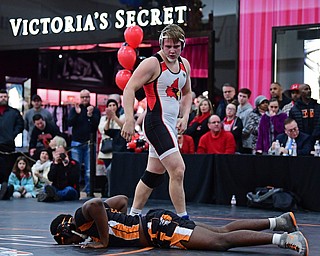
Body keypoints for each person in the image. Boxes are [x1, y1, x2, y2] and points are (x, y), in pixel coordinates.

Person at [49, 196, 308, 256]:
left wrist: (105, 239)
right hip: (155, 223)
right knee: (221, 231)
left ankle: (285, 239)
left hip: (157, 229)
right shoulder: (91, 224)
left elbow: (94, 203)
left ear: (65, 232)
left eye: (67, 241)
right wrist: (119, 221)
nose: (73, 245)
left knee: (220, 242)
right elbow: (121, 201)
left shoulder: (81, 220)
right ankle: (280, 222)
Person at [121, 24, 193, 219]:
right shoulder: (152, 64)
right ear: (161, 44)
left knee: (153, 173)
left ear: (182, 45)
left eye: (176, 46)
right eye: (168, 46)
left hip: (169, 124)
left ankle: (133, 216)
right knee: (178, 169)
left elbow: (187, 93)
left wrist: (185, 116)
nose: (171, 50)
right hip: (155, 122)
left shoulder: (184, 64)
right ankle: (183, 219)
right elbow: (128, 89)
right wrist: (129, 119)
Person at [67, 89, 100, 195]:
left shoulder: (94, 110)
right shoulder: (75, 109)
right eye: (83, 97)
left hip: (89, 143)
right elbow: (69, 123)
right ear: (80, 98)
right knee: (75, 169)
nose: (85, 99)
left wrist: (90, 115)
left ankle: (89, 191)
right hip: (76, 142)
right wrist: (77, 114)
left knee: (89, 170)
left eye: (87, 97)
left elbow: (95, 126)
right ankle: (75, 191)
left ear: (90, 98)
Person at [97, 98, 125, 197]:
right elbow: (103, 130)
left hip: (117, 148)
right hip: (106, 149)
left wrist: (114, 117)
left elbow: (123, 127)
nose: (112, 107)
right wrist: (109, 118)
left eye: (114, 105)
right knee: (108, 172)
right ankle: (107, 191)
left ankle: (111, 192)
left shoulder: (122, 116)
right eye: (110, 105)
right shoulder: (102, 118)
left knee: (112, 171)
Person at [0, 89, 24, 184]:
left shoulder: (14, 112)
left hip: (8, 144)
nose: (3, 98)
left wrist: (12, 135)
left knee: (7, 167)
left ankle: (6, 187)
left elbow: (20, 125)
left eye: (5, 97)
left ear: (8, 98)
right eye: (1, 97)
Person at [236, 88, 253, 153]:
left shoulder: (250, 111)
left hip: (246, 143)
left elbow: (249, 127)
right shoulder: (237, 108)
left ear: (248, 98)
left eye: (244, 96)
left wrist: (238, 133)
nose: (241, 98)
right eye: (240, 96)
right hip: (238, 141)